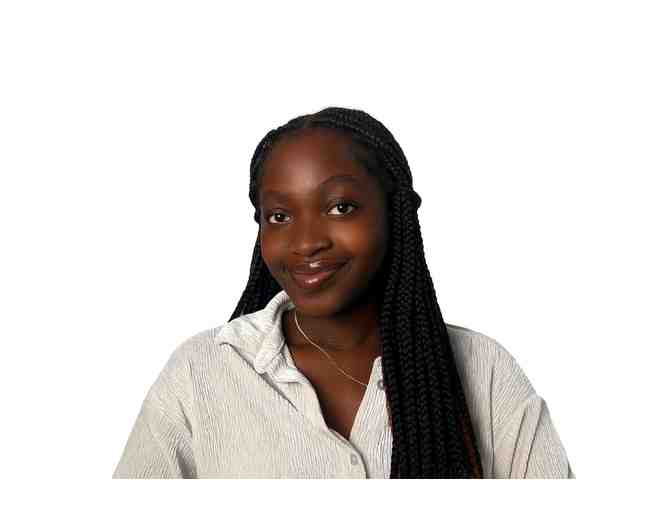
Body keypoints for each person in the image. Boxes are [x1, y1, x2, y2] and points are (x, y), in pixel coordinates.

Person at [113, 107, 574, 479]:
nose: (306, 241)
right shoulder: (201, 373)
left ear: (395, 215)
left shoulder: (484, 371)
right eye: (279, 216)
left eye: (340, 207)